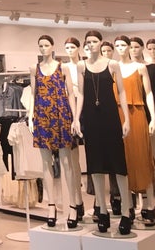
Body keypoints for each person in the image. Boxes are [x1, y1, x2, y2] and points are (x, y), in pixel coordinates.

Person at [73, 30, 132, 235]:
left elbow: (122, 92)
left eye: (94, 41)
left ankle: (126, 211)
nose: (91, 44)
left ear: (100, 43)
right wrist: (76, 118)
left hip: (110, 117)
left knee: (119, 165)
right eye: (88, 42)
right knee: (95, 165)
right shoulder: (81, 66)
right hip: (91, 119)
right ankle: (103, 211)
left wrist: (126, 118)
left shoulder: (112, 64)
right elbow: (81, 94)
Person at [28, 34, 78, 228]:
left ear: (52, 46)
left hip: (61, 114)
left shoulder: (62, 67)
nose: (43, 49)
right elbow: (33, 94)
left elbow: (71, 94)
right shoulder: (34, 69)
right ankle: (51, 206)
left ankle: (73, 205)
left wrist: (74, 118)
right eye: (40, 46)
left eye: (46, 45)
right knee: (46, 163)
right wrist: (31, 116)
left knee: (66, 163)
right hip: (42, 115)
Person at [114, 34, 155, 226]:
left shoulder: (140, 68)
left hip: (138, 114)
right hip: (118, 116)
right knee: (123, 160)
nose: (122, 48)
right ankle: (128, 206)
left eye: (125, 45)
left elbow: (149, 93)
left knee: (142, 158)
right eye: (118, 45)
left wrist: (153, 117)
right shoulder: (112, 67)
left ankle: (149, 205)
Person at [63, 37, 85, 220]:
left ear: (79, 48)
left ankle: (98, 201)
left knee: (93, 155)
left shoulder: (85, 65)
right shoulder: (63, 67)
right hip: (70, 109)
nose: (70, 50)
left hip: (87, 107)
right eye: (67, 47)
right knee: (73, 159)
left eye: (72, 47)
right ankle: (77, 200)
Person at [143, 38, 155, 209]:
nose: (152, 51)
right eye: (149, 48)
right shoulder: (147, 68)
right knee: (149, 156)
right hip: (149, 112)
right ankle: (147, 201)